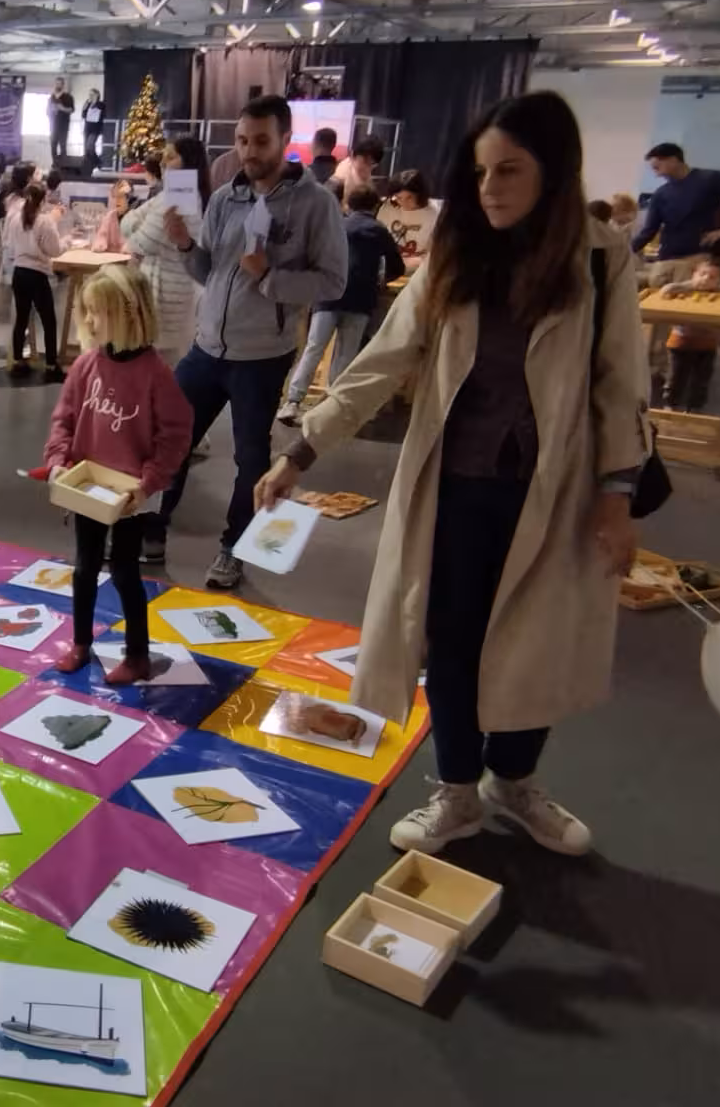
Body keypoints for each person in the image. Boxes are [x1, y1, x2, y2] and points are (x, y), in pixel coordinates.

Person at [258, 91, 645, 859]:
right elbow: (380, 365)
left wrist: (617, 497)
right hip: (455, 491)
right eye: (479, 171)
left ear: (554, 172)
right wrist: (300, 452)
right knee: (454, 643)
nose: (491, 187)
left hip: (554, 494)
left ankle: (515, 782)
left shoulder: (601, 257)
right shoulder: (456, 253)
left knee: (534, 643)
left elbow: (618, 383)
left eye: (510, 169)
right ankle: (458, 792)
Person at [148, 94, 347, 581]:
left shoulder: (315, 204)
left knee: (251, 458)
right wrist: (185, 246)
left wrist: (268, 278)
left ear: (284, 140)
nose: (248, 151)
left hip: (262, 356)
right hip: (206, 348)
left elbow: (332, 282)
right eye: (241, 140)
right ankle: (150, 529)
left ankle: (234, 549)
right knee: (169, 439)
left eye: (260, 141)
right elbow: (209, 270)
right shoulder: (224, 197)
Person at [45, 264, 191, 684]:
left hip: (132, 496)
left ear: (128, 315)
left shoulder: (156, 374)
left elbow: (175, 436)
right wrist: (58, 461)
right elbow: (64, 419)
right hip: (89, 488)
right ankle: (81, 642)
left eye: (97, 312)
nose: (88, 321)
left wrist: (147, 483)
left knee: (126, 571)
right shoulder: (85, 366)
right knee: (84, 567)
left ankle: (138, 654)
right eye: (86, 312)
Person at [279, 186, 404, 424]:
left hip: (328, 295)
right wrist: (379, 281)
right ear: (375, 206)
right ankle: (329, 409)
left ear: (347, 205)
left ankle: (292, 402)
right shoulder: (379, 230)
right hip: (361, 300)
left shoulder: (336, 226)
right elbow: (396, 266)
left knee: (314, 348)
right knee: (345, 354)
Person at [122, 137, 207, 361]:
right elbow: (126, 223)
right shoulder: (170, 195)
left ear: (188, 162)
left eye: (171, 157)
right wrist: (136, 225)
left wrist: (136, 227)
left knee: (161, 368)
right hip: (163, 292)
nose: (163, 162)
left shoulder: (181, 194)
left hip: (165, 297)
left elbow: (140, 242)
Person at [633, 142, 720, 281]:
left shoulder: (711, 178)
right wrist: (625, 251)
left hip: (703, 257)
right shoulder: (660, 194)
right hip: (668, 259)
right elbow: (648, 231)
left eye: (657, 167)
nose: (656, 174)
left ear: (673, 160)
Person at [3, 183, 66, 381]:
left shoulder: (15, 219)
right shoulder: (45, 221)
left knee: (21, 319)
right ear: (44, 199)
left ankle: (18, 362)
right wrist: (66, 240)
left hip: (19, 272)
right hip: (37, 274)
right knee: (48, 320)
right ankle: (51, 366)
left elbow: (10, 246)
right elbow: (54, 250)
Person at [660, 253, 720, 412]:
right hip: (680, 343)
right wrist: (690, 285)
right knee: (675, 377)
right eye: (702, 274)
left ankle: (695, 408)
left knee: (701, 380)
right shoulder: (684, 289)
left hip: (706, 346)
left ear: (719, 280)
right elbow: (666, 289)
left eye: (712, 277)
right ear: (694, 274)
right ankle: (670, 406)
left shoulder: (719, 293)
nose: (706, 279)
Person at [378, 168, 438, 268]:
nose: (403, 203)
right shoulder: (388, 207)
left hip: (419, 270)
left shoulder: (434, 214)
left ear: (420, 195)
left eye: (409, 197)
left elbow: (435, 253)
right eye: (399, 197)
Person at [331, 134, 384, 200]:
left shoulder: (361, 170)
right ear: (353, 155)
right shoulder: (341, 177)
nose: (368, 168)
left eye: (372, 164)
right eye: (365, 161)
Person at [92, 179, 131, 253]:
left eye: (120, 197)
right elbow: (102, 235)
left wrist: (131, 246)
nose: (117, 200)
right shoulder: (109, 217)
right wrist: (100, 243)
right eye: (114, 197)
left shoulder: (136, 217)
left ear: (128, 198)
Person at [47, 76, 75, 163]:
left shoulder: (68, 97)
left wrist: (62, 108)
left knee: (63, 146)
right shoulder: (51, 97)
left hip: (63, 126)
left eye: (59, 84)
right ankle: (55, 165)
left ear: (63, 85)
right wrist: (51, 110)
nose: (57, 85)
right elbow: (47, 111)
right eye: (56, 83)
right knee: (53, 146)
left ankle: (63, 166)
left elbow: (71, 109)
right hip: (53, 126)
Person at [81, 88, 106, 174]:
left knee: (90, 145)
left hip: (95, 129)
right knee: (87, 149)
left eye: (92, 94)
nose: (90, 96)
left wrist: (95, 101)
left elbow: (102, 112)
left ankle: (98, 162)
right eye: (89, 94)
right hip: (87, 128)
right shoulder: (87, 103)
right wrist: (85, 107)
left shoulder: (101, 104)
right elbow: (83, 115)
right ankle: (90, 166)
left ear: (97, 95)